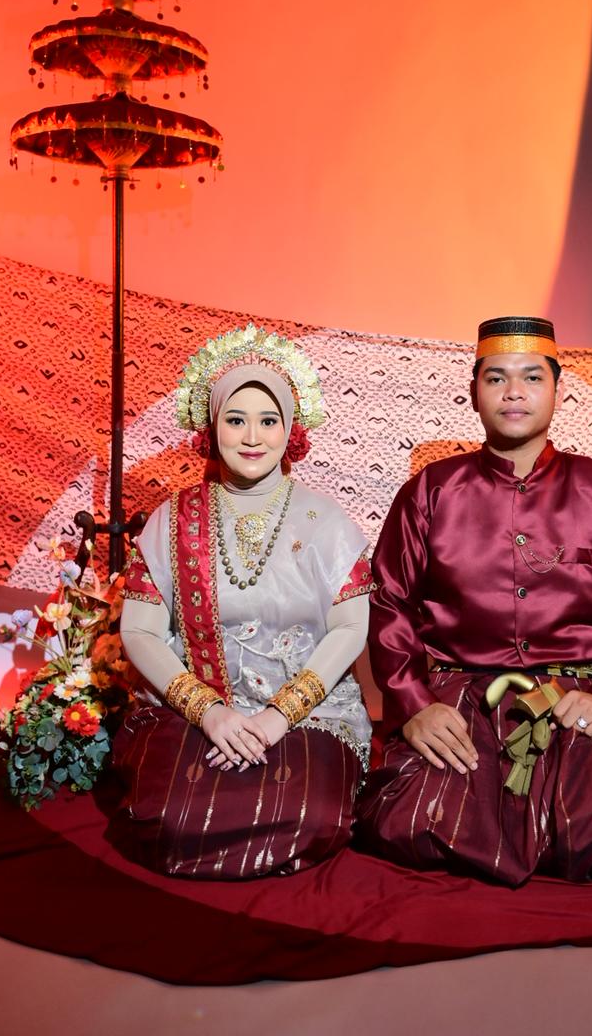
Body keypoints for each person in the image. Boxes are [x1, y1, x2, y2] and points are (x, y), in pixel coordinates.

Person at [356, 315, 592, 886]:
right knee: (404, 825)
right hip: (462, 691)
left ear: (557, 389)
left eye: (532, 377)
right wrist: (415, 704)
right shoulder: (431, 491)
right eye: (496, 378)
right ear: (474, 393)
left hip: (573, 696)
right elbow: (389, 604)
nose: (514, 392)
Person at [112, 323, 372, 879]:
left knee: (314, 815)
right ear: (213, 428)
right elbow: (138, 630)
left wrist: (279, 717)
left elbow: (351, 629)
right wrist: (209, 712)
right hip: (195, 709)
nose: (252, 436)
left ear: (290, 429)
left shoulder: (325, 522)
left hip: (307, 714)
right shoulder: (173, 520)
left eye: (268, 420)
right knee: (163, 818)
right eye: (235, 420)